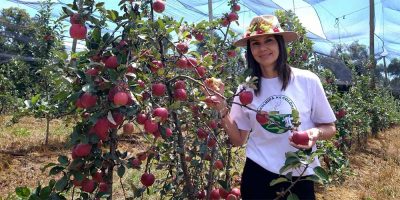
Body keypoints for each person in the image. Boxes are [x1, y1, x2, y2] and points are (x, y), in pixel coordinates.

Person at [210, 15, 337, 199]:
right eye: (255, 43)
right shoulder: (246, 88)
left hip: (299, 176)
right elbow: (238, 140)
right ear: (250, 49)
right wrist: (222, 107)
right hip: (258, 175)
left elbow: (330, 127)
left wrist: (315, 134)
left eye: (269, 40)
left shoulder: (307, 80)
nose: (262, 48)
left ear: (280, 43)